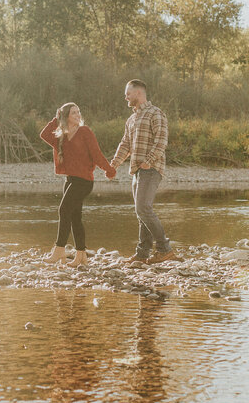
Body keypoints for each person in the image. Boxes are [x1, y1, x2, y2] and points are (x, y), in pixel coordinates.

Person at [39, 102, 116, 268]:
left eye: (78, 112)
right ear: (66, 116)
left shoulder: (85, 132)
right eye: (73, 113)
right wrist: (56, 118)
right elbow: (44, 135)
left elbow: (96, 154)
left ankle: (59, 249)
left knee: (63, 209)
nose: (77, 115)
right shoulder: (63, 135)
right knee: (74, 217)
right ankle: (81, 255)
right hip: (71, 180)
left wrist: (109, 169)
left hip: (84, 181)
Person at [109, 79, 177, 264]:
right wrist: (113, 164)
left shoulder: (156, 113)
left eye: (128, 93)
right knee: (141, 213)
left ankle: (164, 249)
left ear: (138, 93)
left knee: (143, 209)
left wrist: (148, 162)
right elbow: (125, 144)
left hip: (151, 169)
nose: (126, 97)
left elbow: (162, 141)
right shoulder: (132, 119)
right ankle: (142, 254)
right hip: (137, 171)